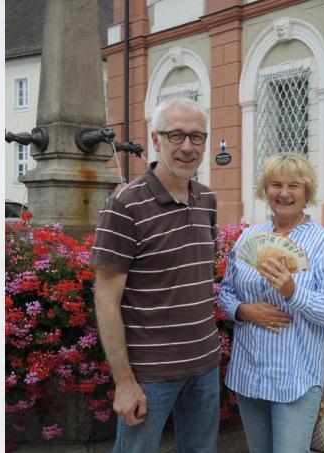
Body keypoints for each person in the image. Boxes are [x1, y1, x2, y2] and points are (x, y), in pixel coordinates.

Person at [90, 97, 220, 453]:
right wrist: (124, 381)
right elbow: (106, 299)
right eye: (176, 135)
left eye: (197, 137)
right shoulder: (125, 205)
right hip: (149, 375)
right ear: (155, 138)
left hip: (204, 365)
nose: (188, 147)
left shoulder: (207, 200)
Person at [219, 153, 324, 453]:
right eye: (276, 184)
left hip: (297, 377)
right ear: (266, 190)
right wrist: (244, 310)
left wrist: (292, 291)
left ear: (307, 192)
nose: (284, 193)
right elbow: (224, 293)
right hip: (250, 373)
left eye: (294, 185)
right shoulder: (250, 236)